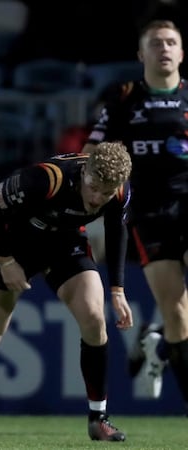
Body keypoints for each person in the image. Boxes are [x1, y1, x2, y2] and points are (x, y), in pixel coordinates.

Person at [0, 143, 134, 442]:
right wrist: (6, 261)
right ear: (85, 172)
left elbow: (117, 229)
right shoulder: (47, 179)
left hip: (65, 245)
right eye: (93, 188)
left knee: (95, 318)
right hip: (16, 246)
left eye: (105, 193)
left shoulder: (118, 190)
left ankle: (98, 418)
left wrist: (117, 290)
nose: (96, 199)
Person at [82, 20, 188, 412]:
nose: (164, 48)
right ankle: (157, 338)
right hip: (149, 213)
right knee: (178, 313)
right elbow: (92, 152)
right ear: (141, 55)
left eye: (172, 42)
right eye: (156, 43)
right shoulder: (124, 99)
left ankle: (158, 337)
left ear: (182, 53)